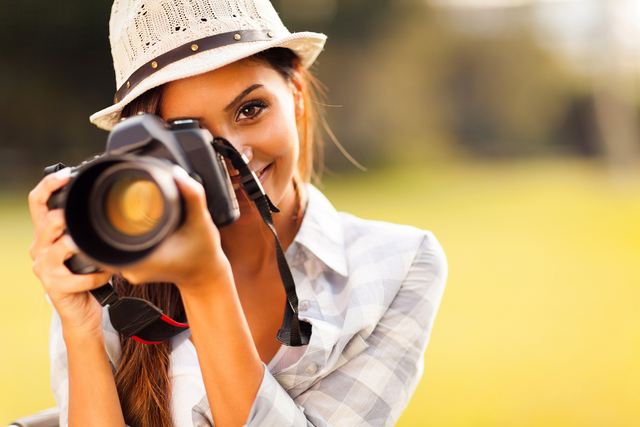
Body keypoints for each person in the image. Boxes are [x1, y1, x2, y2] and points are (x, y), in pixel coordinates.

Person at [28, 0, 447, 426]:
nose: (235, 159)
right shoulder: (112, 262)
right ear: (147, 148)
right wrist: (80, 329)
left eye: (250, 110)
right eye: (189, 134)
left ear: (296, 95)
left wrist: (205, 282)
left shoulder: (400, 264)